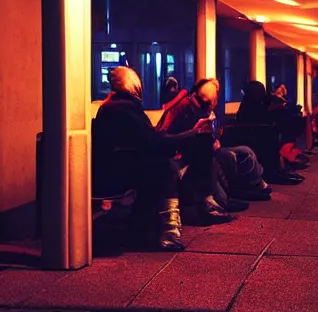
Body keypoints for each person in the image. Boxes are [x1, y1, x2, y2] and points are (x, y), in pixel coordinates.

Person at [92, 66, 184, 251]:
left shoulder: (113, 106)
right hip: (120, 171)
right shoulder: (124, 107)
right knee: (166, 167)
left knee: (164, 165)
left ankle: (158, 225)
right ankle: (170, 228)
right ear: (133, 85)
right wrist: (185, 138)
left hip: (112, 167)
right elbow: (148, 141)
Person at [156, 79, 239, 223]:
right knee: (210, 151)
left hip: (187, 148)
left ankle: (217, 199)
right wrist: (195, 132)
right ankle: (212, 200)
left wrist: (212, 137)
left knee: (217, 153)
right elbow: (165, 134)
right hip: (176, 151)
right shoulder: (184, 106)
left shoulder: (201, 108)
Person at [237, 81, 305, 183]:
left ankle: (280, 168)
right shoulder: (249, 104)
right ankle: (275, 172)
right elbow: (254, 119)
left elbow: (270, 106)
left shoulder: (257, 101)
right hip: (252, 136)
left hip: (258, 133)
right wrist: (270, 110)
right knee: (272, 135)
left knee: (283, 122)